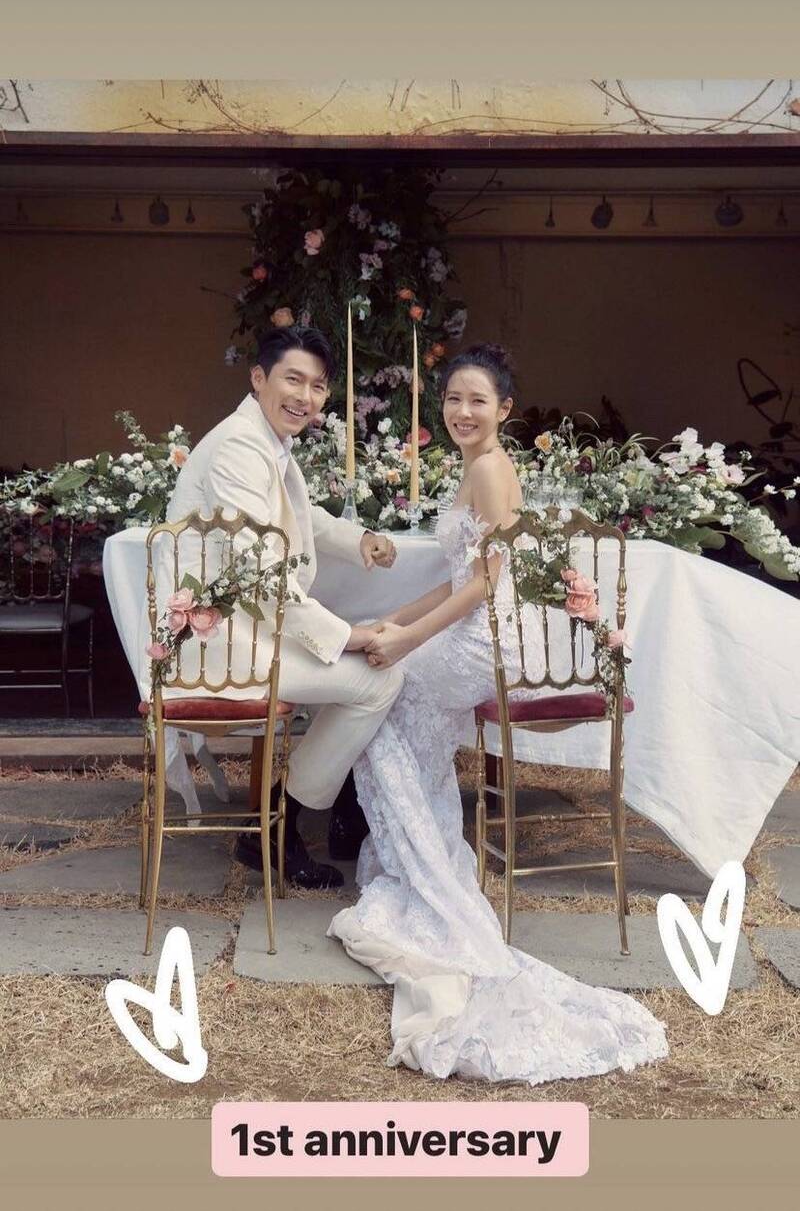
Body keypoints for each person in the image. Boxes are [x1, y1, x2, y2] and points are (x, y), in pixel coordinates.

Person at [328, 343, 668, 1084]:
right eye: (453, 398)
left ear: (504, 409)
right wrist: (395, 621)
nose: (462, 411)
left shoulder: (488, 468)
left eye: (477, 400)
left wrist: (406, 640)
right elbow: (460, 574)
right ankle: (418, 861)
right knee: (387, 700)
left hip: (484, 641)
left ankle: (427, 877)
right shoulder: (477, 465)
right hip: (471, 629)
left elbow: (487, 582)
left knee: (380, 699)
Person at [160, 325, 403, 889]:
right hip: (217, 646)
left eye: (317, 386)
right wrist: (348, 635)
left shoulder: (260, 437)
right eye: (293, 380)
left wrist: (360, 538)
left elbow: (300, 515)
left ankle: (335, 815)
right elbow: (260, 571)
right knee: (380, 680)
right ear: (258, 378)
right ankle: (277, 825)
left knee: (361, 671)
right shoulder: (240, 447)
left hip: (244, 631)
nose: (306, 397)